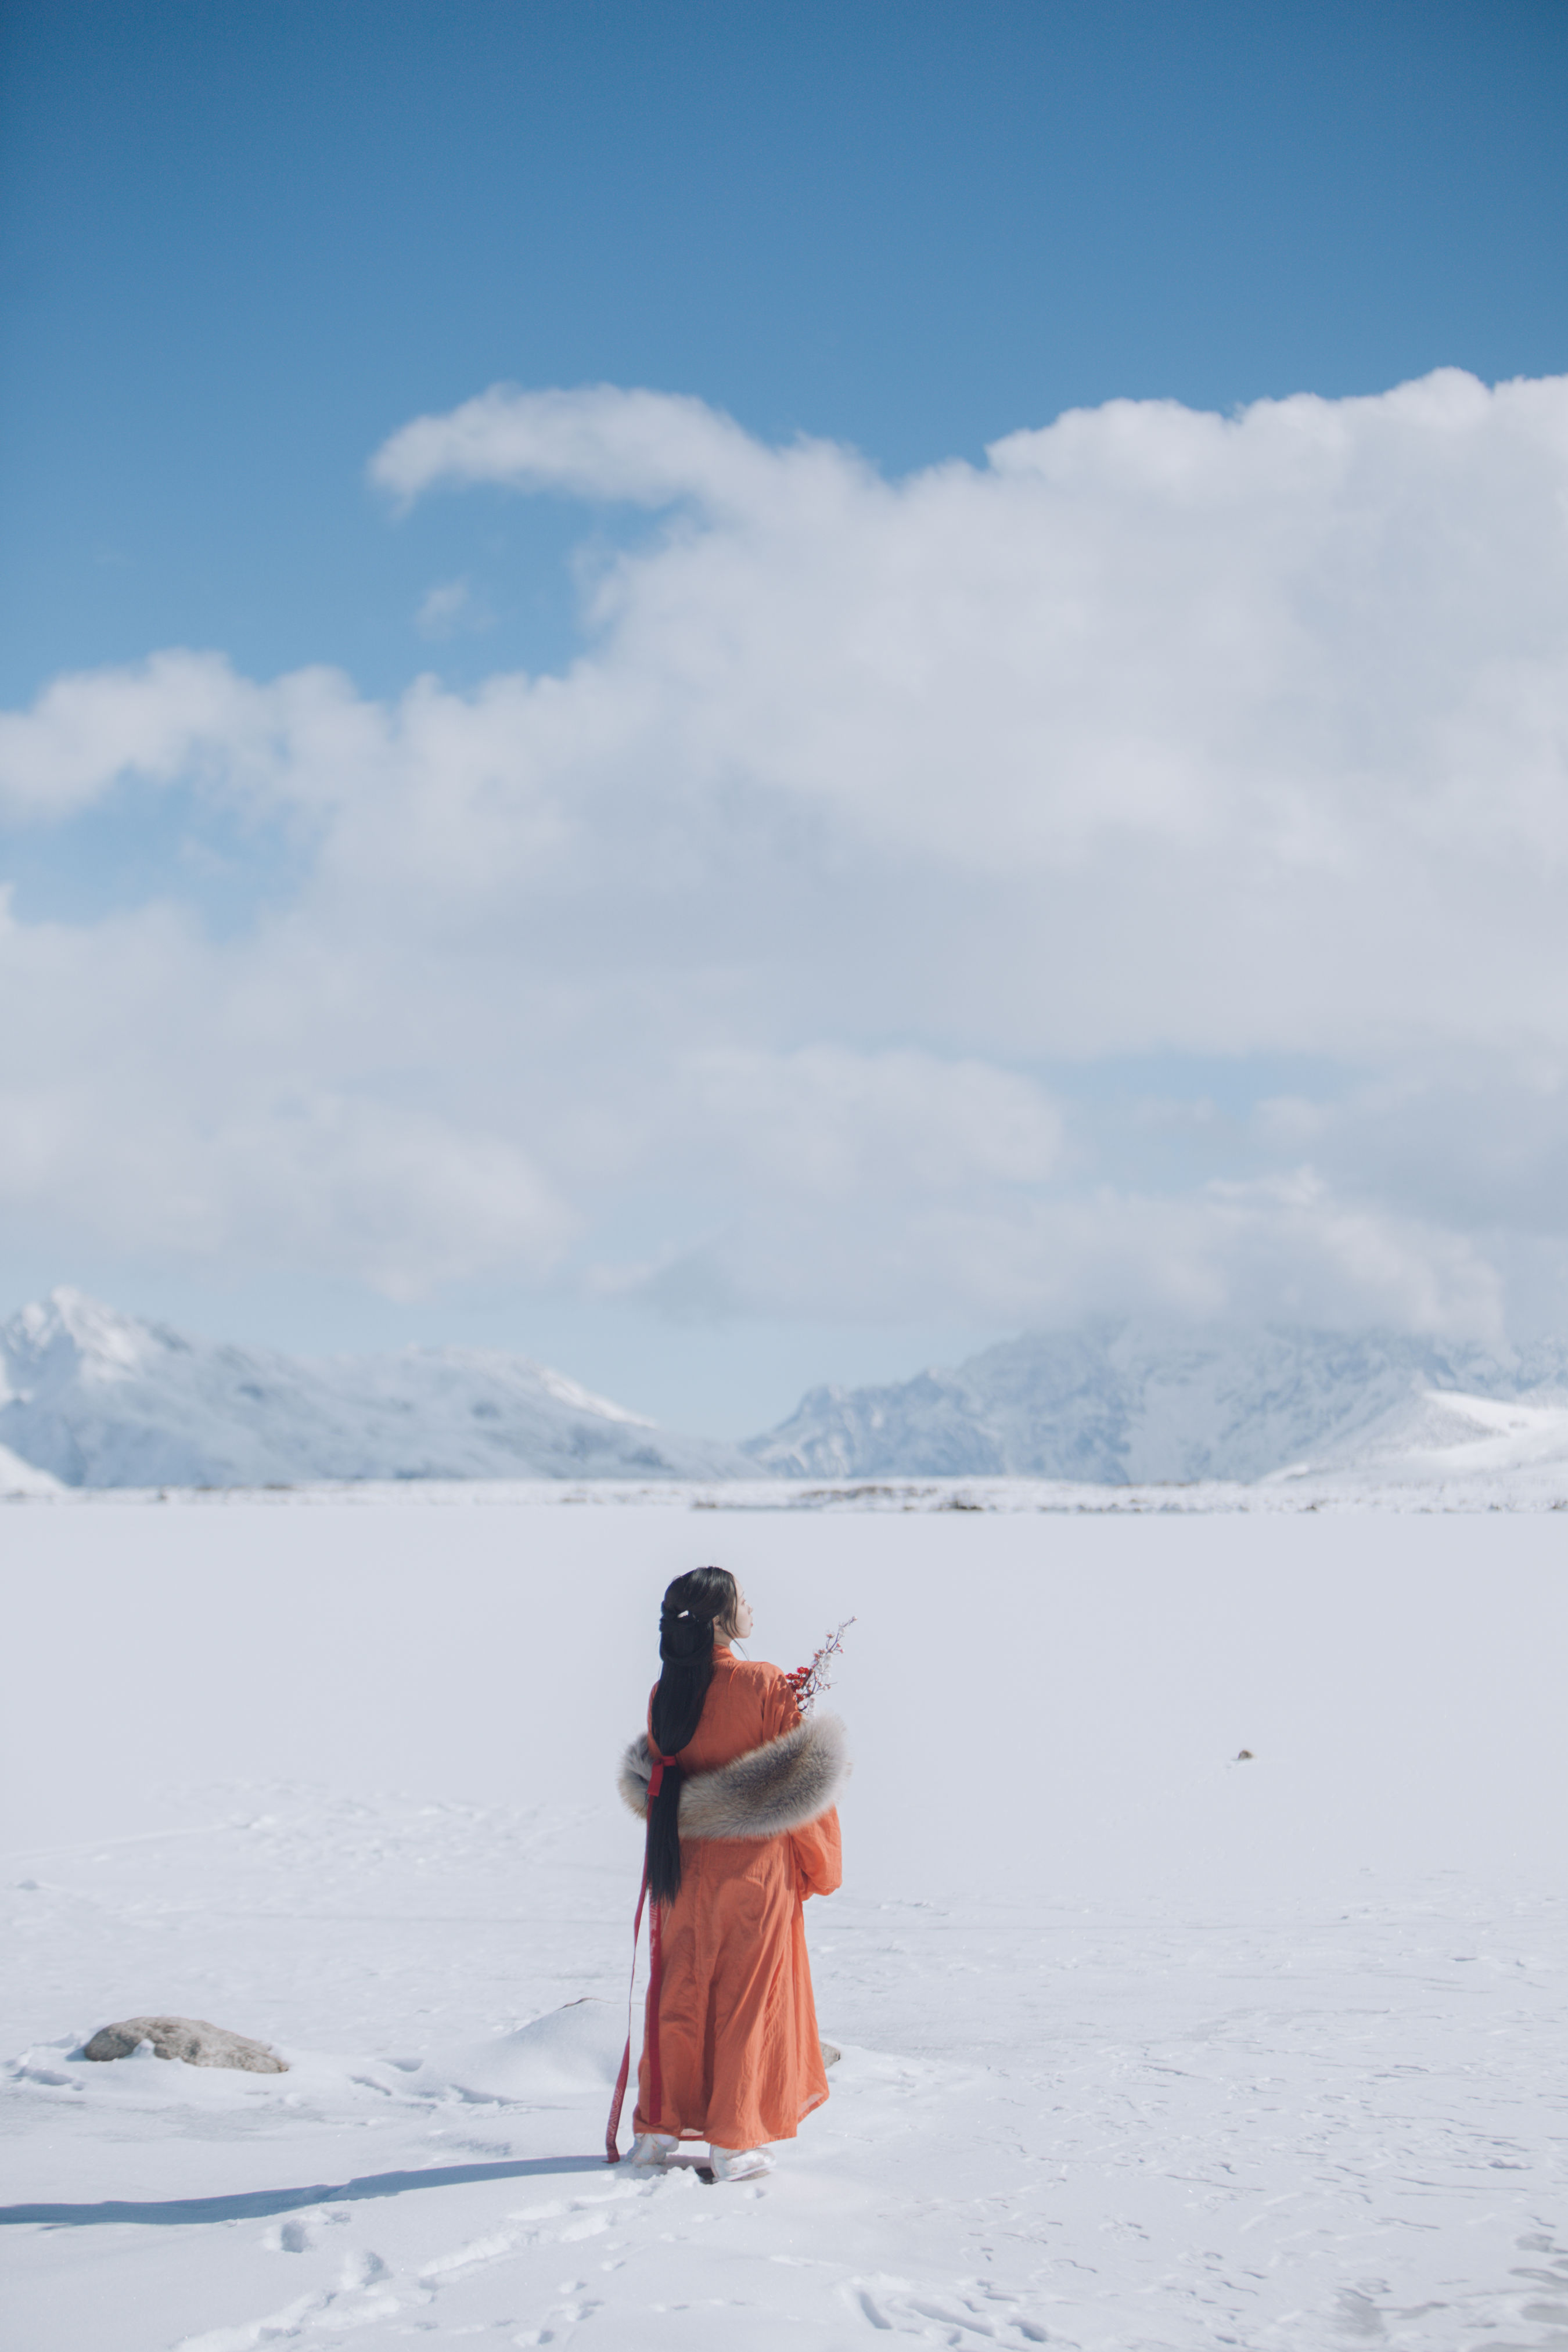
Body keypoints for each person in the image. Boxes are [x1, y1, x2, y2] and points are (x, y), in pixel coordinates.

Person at [616, 1565, 846, 2182]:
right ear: (721, 1619)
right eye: (743, 1597)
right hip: (753, 1871)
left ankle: (657, 2133)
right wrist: (820, 1863)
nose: (752, 1606)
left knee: (679, 1994)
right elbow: (799, 1786)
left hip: (683, 1866)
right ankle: (734, 2140)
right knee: (747, 1999)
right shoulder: (763, 1684)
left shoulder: (668, 1693)